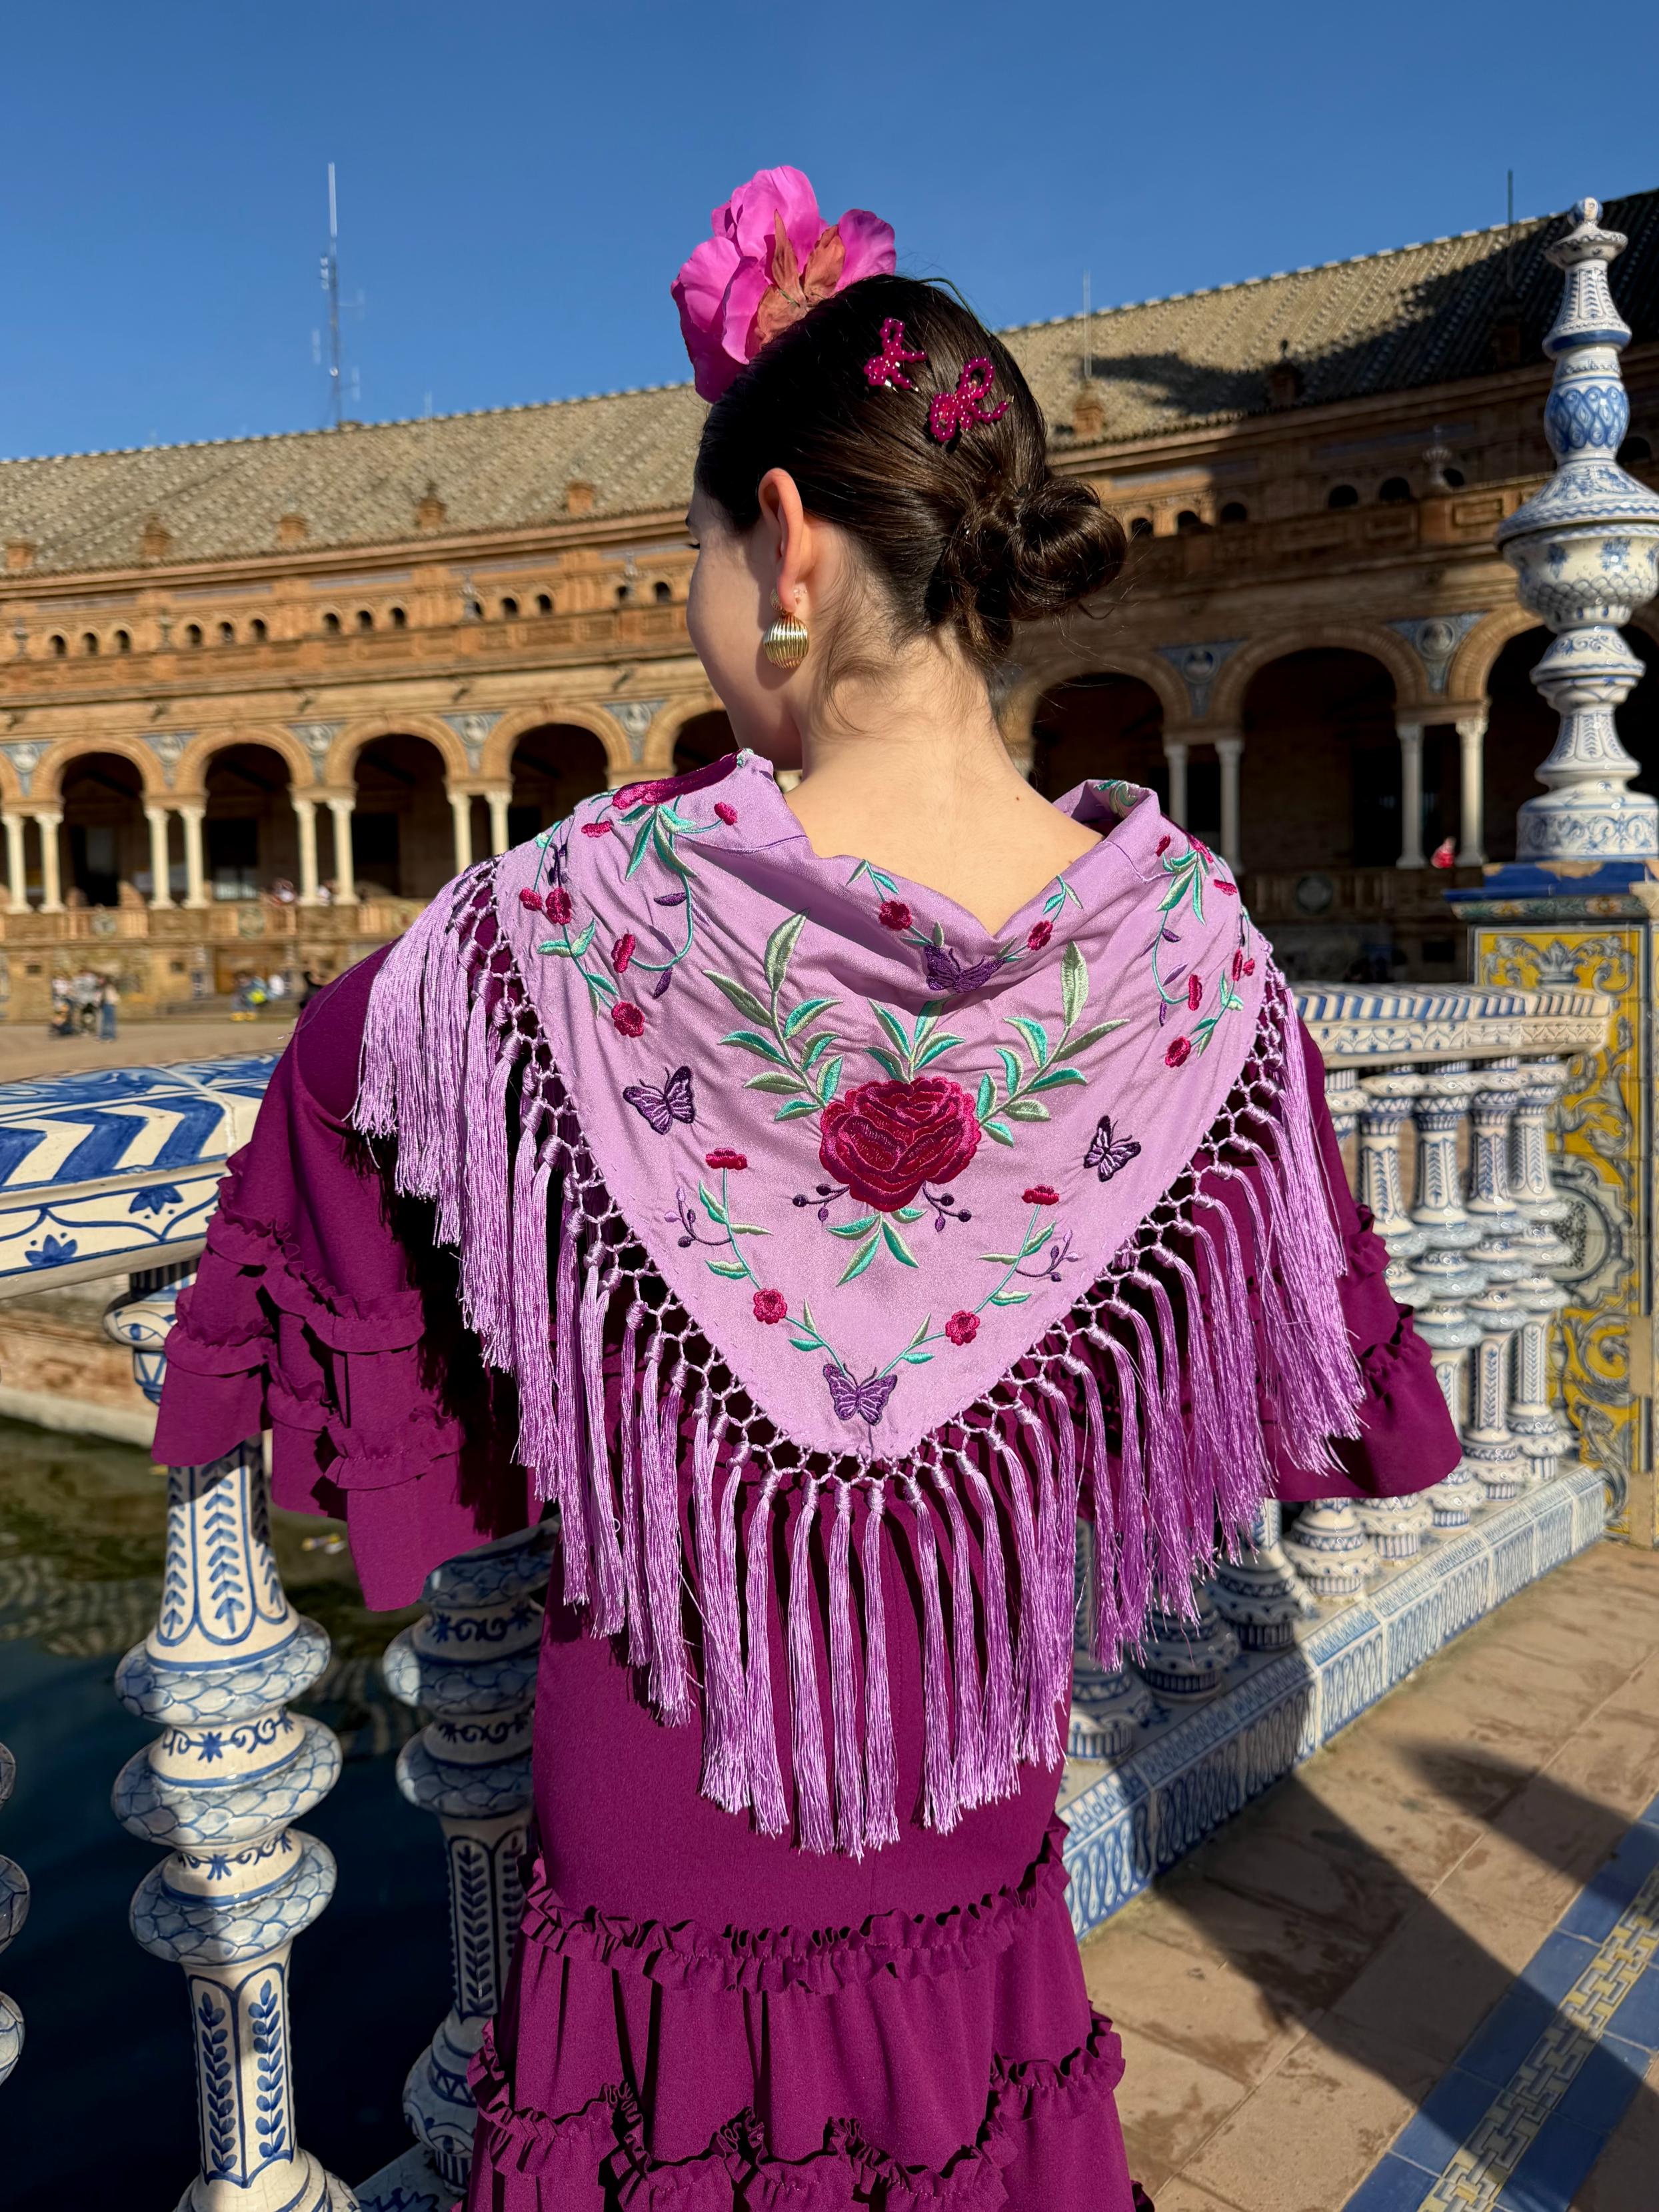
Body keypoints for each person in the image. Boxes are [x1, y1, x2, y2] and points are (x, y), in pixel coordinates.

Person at [154, 168, 1457, 2211]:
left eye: (690, 555)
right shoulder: (1186, 952)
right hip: (968, 1784)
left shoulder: (561, 926)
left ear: (778, 543)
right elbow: (1313, 1321)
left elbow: (340, 1098)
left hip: (663, 1767)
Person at [97, 974, 118, 1040]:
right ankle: (103, 1036)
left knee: (110, 1021)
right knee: (103, 1021)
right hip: (103, 1005)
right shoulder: (101, 988)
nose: (99, 981)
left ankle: (112, 1036)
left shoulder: (109, 987)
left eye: (101, 979)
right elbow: (98, 997)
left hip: (109, 1004)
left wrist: (114, 1003)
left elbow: (115, 996)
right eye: (99, 979)